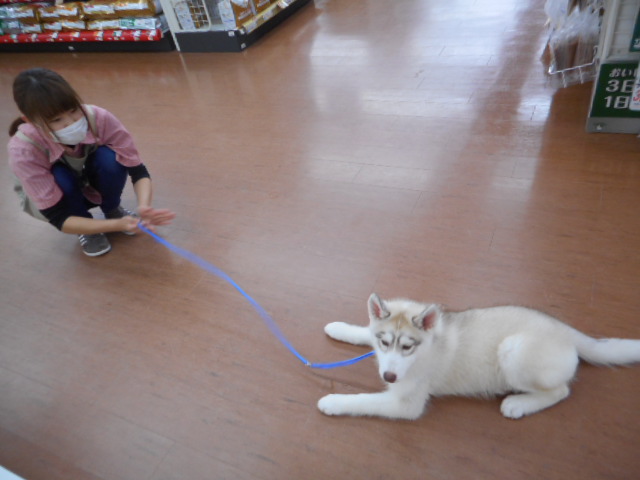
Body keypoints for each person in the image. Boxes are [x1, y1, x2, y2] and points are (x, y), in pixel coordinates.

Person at [7, 67, 175, 256]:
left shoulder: (98, 118)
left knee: (110, 158)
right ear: (29, 120)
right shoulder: (23, 150)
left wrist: (144, 206)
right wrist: (116, 225)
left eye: (73, 110)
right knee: (60, 177)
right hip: (60, 199)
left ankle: (112, 209)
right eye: (56, 120)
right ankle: (85, 226)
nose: (71, 122)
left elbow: (138, 170)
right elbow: (58, 217)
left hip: (88, 179)